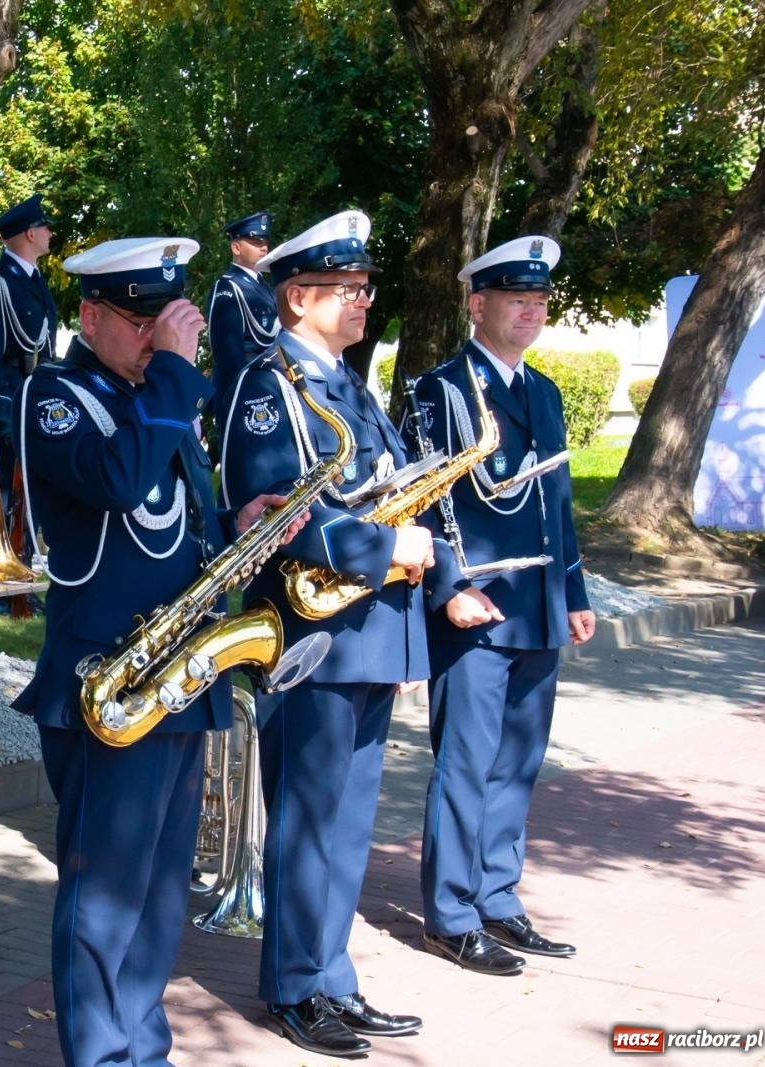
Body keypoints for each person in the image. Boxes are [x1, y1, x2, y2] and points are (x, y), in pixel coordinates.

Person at [13, 236, 302, 1066]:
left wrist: (239, 526)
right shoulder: (55, 397)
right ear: (90, 316)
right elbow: (116, 480)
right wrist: (175, 369)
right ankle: (101, 1054)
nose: (155, 338)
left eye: (164, 321)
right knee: (105, 895)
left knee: (159, 892)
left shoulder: (159, 402)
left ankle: (142, 1047)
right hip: (108, 681)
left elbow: (178, 526)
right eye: (139, 321)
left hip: (175, 678)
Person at [219, 210, 434, 1058]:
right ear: (297, 296)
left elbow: (389, 488)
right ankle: (292, 986)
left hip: (369, 628)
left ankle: (331, 976)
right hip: (310, 632)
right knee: (306, 823)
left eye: (365, 287)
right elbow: (282, 512)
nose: (362, 300)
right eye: (345, 288)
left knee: (346, 825)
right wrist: (387, 549)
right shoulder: (267, 386)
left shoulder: (349, 383)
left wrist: (421, 579)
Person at [413, 235, 595, 977]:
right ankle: (452, 914)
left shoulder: (543, 392)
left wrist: (574, 592)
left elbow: (558, 502)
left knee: (518, 761)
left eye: (540, 300)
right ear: (476, 304)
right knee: (467, 762)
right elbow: (422, 502)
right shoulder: (441, 390)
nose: (532, 311)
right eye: (517, 299)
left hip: (538, 604)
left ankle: (496, 893)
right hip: (477, 607)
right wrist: (448, 587)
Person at [0, 193, 58, 565]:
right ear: (30, 233)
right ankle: (3, 565)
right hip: (8, 402)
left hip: (34, 397)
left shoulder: (35, 281)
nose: (50, 233)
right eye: (44, 227)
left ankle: (24, 561)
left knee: (32, 489)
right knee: (6, 489)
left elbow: (45, 348)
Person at [204, 211, 278, 416]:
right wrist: (245, 392)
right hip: (243, 392)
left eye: (265, 242)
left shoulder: (266, 286)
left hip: (270, 384)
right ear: (236, 247)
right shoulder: (228, 287)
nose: (264, 247)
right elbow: (228, 354)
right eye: (255, 242)